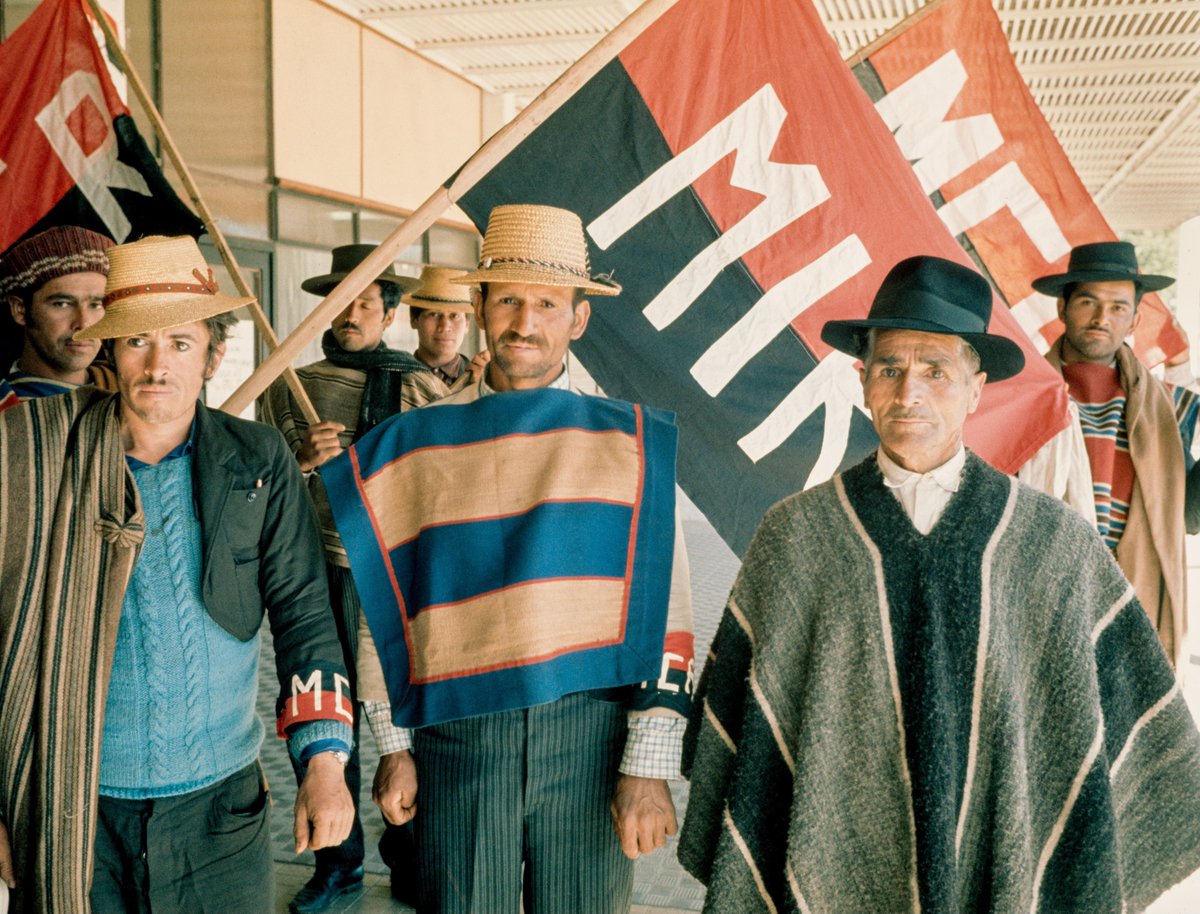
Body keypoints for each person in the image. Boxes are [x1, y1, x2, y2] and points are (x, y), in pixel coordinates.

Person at [679, 255, 1200, 913]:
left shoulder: (1052, 542)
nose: (909, 393)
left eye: (935, 372)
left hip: (998, 865)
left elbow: (1142, 728)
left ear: (976, 389)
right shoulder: (795, 536)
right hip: (830, 865)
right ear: (860, 380)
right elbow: (743, 732)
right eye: (889, 370)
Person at [353, 204, 695, 914]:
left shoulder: (627, 444)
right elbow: (383, 605)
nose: (525, 321)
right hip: (457, 738)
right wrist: (392, 745)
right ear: (478, 307)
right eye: (507, 298)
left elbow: (668, 608)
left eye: (546, 302)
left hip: (591, 742)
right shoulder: (417, 442)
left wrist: (647, 763)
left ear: (579, 318)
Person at [0, 235, 355, 914]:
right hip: (71, 804)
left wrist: (325, 762)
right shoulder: (33, 452)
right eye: (138, 343)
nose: (158, 365)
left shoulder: (258, 458)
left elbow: (304, 610)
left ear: (214, 354)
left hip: (222, 808)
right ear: (109, 348)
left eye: (181, 343)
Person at [260, 244, 447, 913]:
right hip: (317, 573)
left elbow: (443, 481)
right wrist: (301, 461)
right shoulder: (292, 383)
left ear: (390, 312)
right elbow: (263, 482)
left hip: (399, 575)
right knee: (318, 707)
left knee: (403, 715)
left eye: (367, 300)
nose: (352, 313)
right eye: (341, 300)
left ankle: (411, 854)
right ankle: (336, 867)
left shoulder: (424, 388)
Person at [1019, 241, 1200, 668]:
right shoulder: (1022, 396)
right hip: (1040, 604)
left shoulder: (1170, 409)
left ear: (1135, 319)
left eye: (1119, 307)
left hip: (1132, 610)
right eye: (1088, 302)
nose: (1103, 318)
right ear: (1062, 308)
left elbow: (1186, 517)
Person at [0, 225, 115, 411]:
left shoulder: (131, 394)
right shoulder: (7, 410)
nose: (83, 324)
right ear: (20, 310)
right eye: (62, 304)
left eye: (96, 305)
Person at [404, 264, 480, 387]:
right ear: (414, 319)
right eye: (434, 314)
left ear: (467, 324)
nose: (444, 326)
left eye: (454, 316)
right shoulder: (395, 379)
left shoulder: (479, 381)